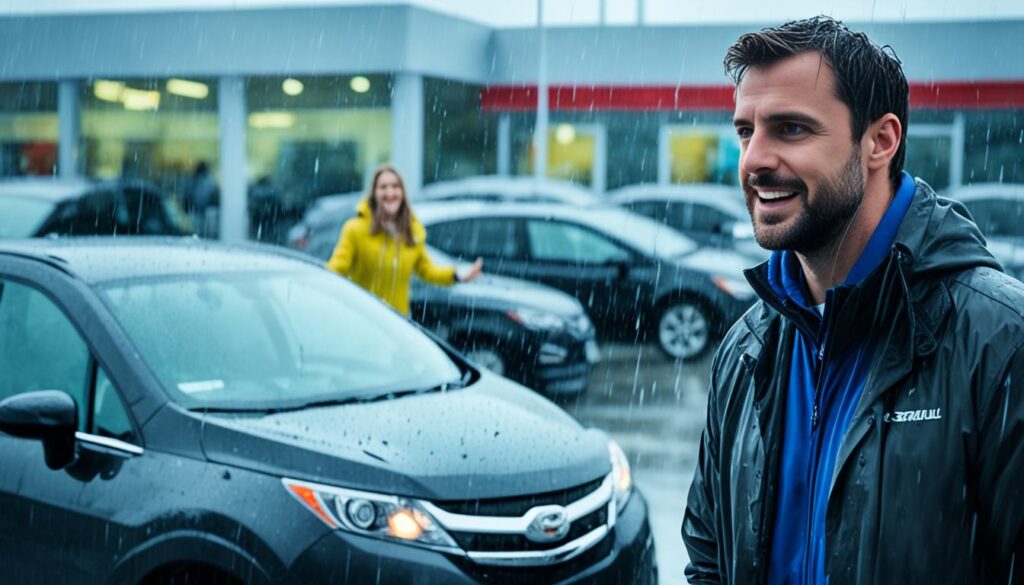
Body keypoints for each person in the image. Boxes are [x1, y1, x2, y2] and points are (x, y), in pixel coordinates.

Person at [682, 16, 1024, 585]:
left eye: (790, 129)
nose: (754, 160)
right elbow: (709, 561)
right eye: (746, 131)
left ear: (879, 141)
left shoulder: (999, 340)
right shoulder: (745, 349)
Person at [326, 164, 483, 315]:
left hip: (398, 322)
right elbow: (337, 267)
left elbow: (427, 270)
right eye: (383, 187)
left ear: (402, 192)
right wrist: (313, 279)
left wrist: (457, 275)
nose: (390, 192)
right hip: (364, 319)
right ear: (374, 193)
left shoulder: (412, 231)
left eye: (395, 186)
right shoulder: (355, 229)